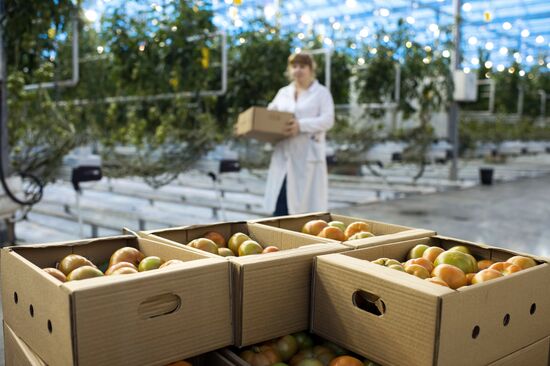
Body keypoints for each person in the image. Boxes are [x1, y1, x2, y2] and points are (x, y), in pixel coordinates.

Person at [265, 53, 335, 216]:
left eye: (302, 66)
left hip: (307, 156)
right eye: (294, 66)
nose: (298, 70)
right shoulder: (283, 92)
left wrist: (301, 125)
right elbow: (271, 114)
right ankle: (280, 238)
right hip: (284, 153)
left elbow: (328, 119)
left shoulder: (321, 93)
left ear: (311, 69)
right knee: (280, 206)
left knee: (306, 209)